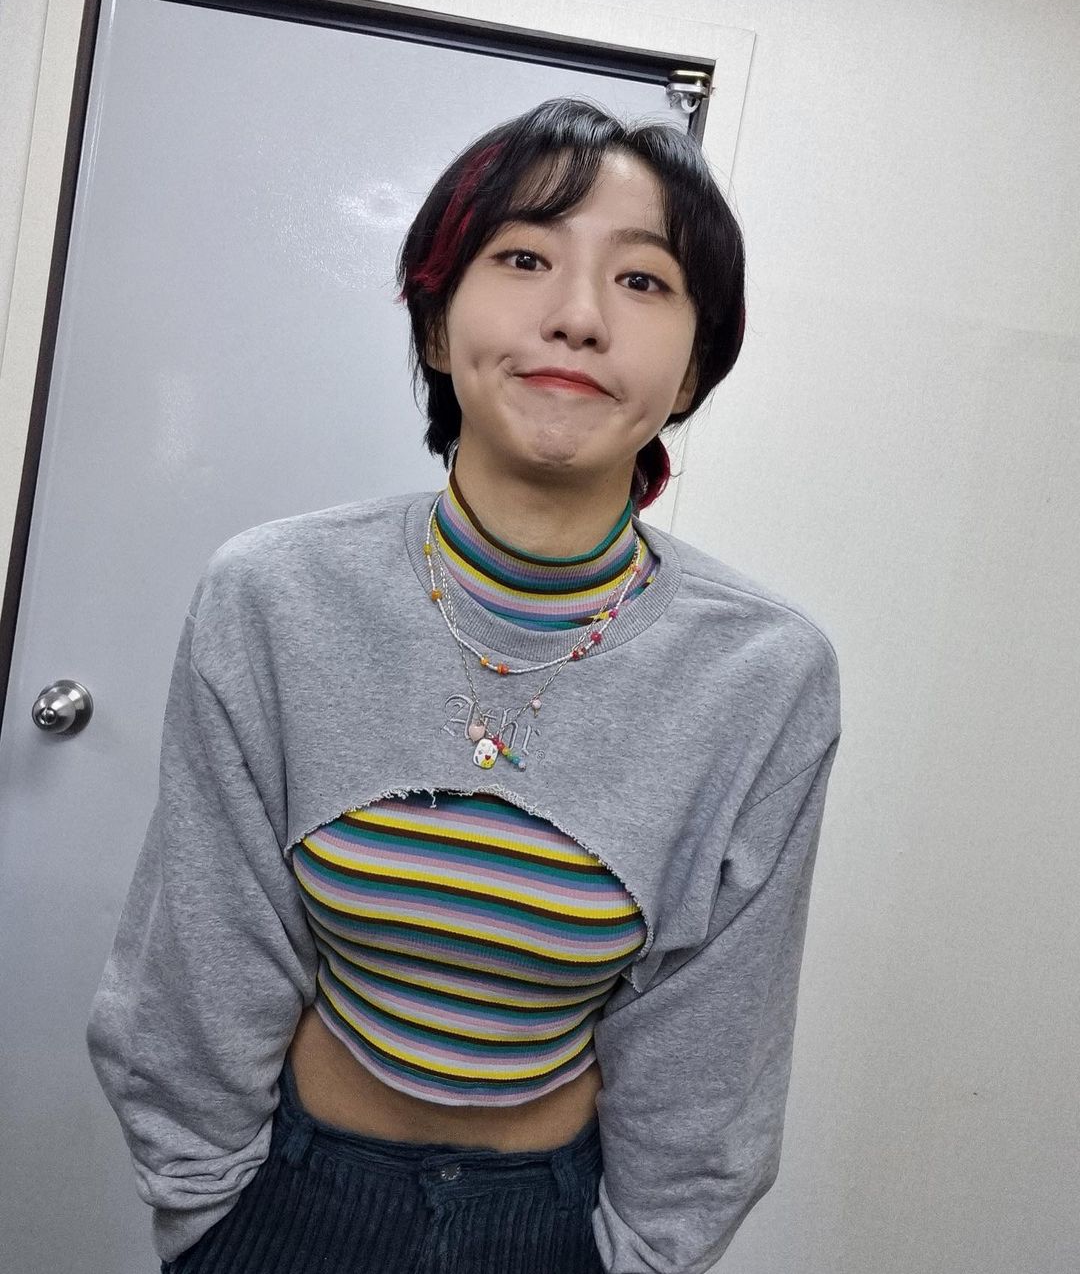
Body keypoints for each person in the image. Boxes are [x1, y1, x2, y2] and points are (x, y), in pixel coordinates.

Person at [87, 96, 842, 1274]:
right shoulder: (274, 596)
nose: (579, 315)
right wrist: (206, 1214)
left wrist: (640, 1260)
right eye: (526, 258)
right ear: (438, 323)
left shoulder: (763, 674)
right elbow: (200, 959)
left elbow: (712, 1057)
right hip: (288, 1198)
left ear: (694, 365)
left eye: (643, 280)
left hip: (548, 1227)